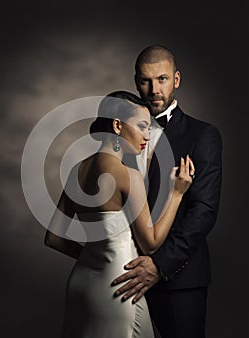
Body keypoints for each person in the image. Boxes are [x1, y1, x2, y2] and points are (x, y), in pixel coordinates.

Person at [44, 90, 195, 338]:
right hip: (119, 286)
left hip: (82, 284)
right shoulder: (128, 176)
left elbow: (53, 238)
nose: (147, 135)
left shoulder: (77, 171)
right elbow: (151, 244)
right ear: (117, 125)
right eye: (142, 126)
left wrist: (94, 258)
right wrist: (177, 194)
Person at [112, 45, 223, 338]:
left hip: (179, 279)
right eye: (145, 81)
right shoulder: (120, 132)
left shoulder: (202, 135)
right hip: (124, 272)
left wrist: (158, 266)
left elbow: (204, 211)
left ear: (176, 79)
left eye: (161, 79)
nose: (153, 89)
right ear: (136, 81)